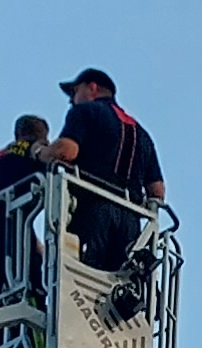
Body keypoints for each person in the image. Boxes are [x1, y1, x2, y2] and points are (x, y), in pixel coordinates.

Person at [55, 67, 166, 270]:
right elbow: (157, 191)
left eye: (74, 92)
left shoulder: (84, 112)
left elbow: (66, 152)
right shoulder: (142, 134)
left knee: (85, 273)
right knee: (120, 280)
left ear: (92, 88)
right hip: (130, 226)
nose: (71, 100)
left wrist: (39, 152)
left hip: (91, 215)